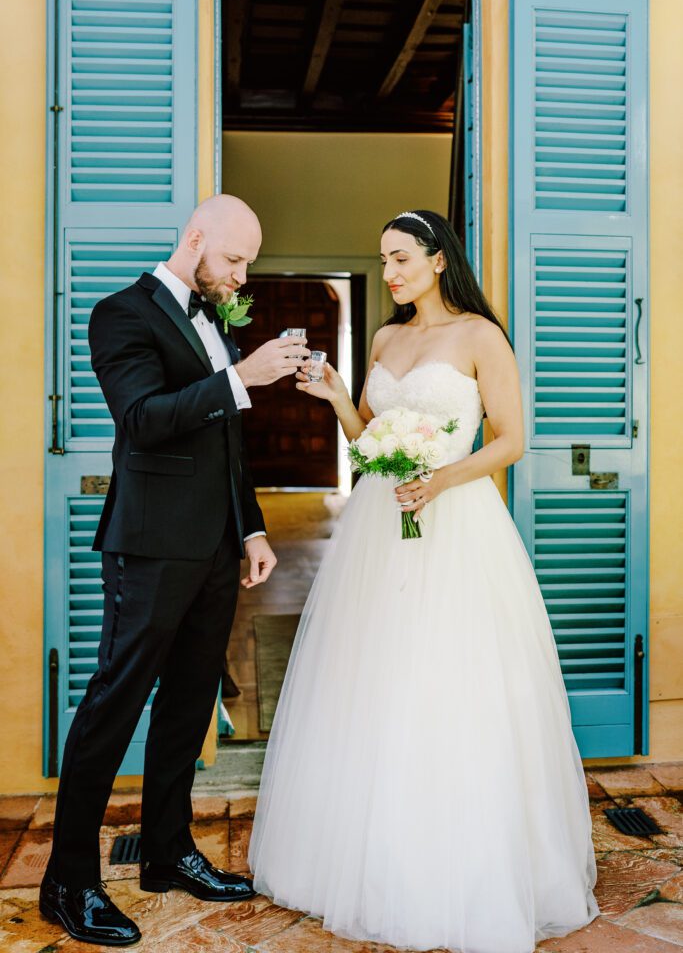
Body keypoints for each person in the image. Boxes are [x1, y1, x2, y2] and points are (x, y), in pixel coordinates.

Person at [248, 210, 600, 953]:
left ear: (439, 260)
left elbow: (511, 439)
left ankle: (460, 869)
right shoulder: (383, 339)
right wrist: (340, 397)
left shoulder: (479, 336)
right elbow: (371, 443)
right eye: (382, 261)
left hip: (457, 524)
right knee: (372, 677)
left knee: (449, 679)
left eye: (402, 258)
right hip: (381, 528)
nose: (392, 273)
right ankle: (368, 856)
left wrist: (441, 479)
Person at [40, 195, 310, 947]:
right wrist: (240, 378)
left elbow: (224, 444)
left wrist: (250, 526)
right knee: (114, 704)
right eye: (233, 259)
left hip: (217, 547)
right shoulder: (119, 314)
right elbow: (143, 420)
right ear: (195, 240)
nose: (241, 274)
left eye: (248, 262)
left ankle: (168, 853)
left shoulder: (211, 316)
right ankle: (69, 880)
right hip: (152, 544)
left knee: (189, 704)